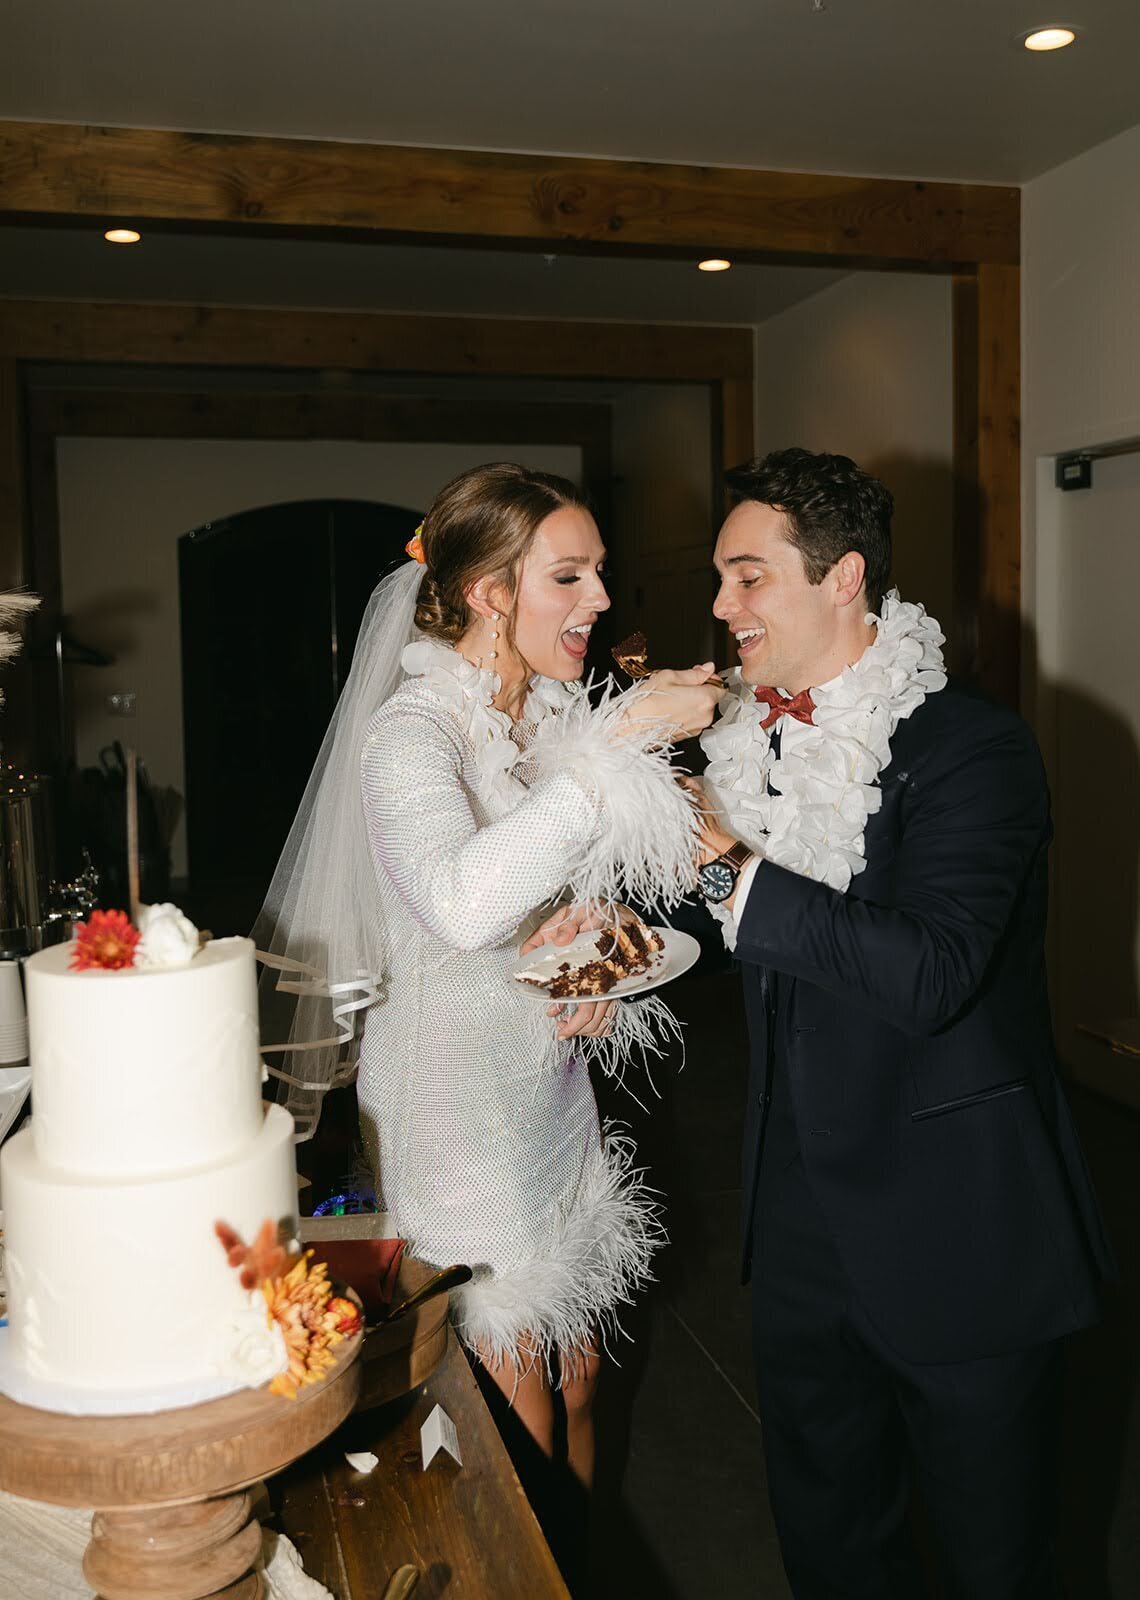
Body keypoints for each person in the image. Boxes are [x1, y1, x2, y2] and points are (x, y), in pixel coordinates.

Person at [687, 448, 1115, 1596]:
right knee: (831, 1547)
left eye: (747, 577)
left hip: (960, 1231)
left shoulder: (974, 747)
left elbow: (932, 971)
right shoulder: (743, 737)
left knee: (994, 1563)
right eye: (721, 581)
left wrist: (728, 872)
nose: (723, 607)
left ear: (843, 579)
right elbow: (736, 935)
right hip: (795, 1235)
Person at [255, 462, 719, 1491]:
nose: (601, 598)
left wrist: (582, 945)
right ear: (489, 592)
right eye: (571, 576)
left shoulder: (541, 718)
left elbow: (534, 901)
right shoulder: (408, 737)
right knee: (521, 1431)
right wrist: (620, 749)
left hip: (545, 1095)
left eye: (600, 572)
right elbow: (461, 903)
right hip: (452, 1114)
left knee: (585, 1379)